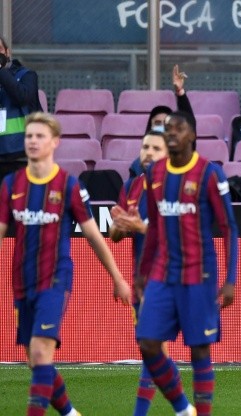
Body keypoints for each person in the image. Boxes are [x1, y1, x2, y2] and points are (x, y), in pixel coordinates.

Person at [0, 112, 131, 415]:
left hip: (55, 279)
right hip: (22, 281)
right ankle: (70, 412)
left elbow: (94, 236)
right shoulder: (11, 185)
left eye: (40, 136)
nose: (33, 141)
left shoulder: (69, 186)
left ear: (55, 142)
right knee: (36, 360)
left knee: (40, 351)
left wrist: (117, 277)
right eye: (29, 135)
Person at [136, 111, 238, 416]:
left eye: (178, 129)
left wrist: (230, 279)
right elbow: (154, 226)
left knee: (199, 351)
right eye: (167, 129)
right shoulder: (154, 173)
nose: (171, 133)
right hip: (163, 273)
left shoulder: (209, 173)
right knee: (148, 342)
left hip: (199, 275)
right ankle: (183, 408)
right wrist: (142, 273)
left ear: (192, 136)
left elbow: (229, 227)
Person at [109, 130, 168, 416]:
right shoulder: (132, 186)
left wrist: (141, 227)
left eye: (156, 148)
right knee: (153, 351)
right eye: (145, 146)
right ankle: (184, 407)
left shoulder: (175, 187)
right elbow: (115, 235)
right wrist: (119, 225)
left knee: (150, 345)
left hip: (169, 274)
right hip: (141, 276)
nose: (148, 152)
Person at [129, 64, 194, 179]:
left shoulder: (181, 159)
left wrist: (180, 93)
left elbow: (188, 122)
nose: (149, 153)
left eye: (166, 125)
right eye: (158, 123)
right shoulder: (137, 166)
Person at [0, 36, 42, 181]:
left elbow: (22, 97)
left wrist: (1, 71)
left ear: (7, 52)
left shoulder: (26, 75)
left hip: (21, 157)